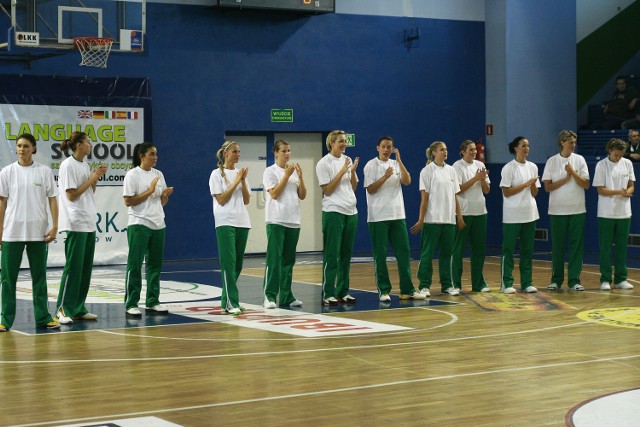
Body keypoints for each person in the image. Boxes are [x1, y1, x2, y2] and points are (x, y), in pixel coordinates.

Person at [0, 133, 59, 332]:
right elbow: (2, 202)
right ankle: (5, 320)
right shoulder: (7, 172)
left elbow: (52, 199)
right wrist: (0, 231)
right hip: (11, 233)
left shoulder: (43, 172)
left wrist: (55, 226)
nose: (22, 149)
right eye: (19, 146)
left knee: (39, 277)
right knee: (8, 279)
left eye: (26, 146)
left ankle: (43, 317)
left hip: (38, 233)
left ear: (34, 148)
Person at [55, 132, 108, 324]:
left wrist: (95, 177)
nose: (90, 145)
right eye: (88, 142)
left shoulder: (84, 165)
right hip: (75, 222)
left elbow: (89, 190)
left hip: (88, 221)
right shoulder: (67, 165)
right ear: (78, 145)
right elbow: (72, 195)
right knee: (73, 268)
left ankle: (77, 307)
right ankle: (62, 309)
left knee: (85, 269)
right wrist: (92, 177)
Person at [364, 136, 425, 301]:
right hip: (378, 217)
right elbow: (370, 189)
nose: (386, 150)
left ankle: (407, 290)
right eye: (383, 147)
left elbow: (407, 181)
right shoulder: (371, 165)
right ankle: (384, 290)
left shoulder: (396, 164)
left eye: (389, 147)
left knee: (404, 252)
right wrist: (384, 177)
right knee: (380, 254)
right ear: (378, 148)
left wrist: (399, 160)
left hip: (397, 215)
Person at [123, 142, 174, 317]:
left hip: (158, 223)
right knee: (135, 265)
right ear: (142, 156)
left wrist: (164, 195)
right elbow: (129, 201)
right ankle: (131, 303)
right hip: (139, 223)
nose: (155, 157)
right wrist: (150, 190)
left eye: (156, 154)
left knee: (155, 265)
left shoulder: (159, 174)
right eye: (152, 154)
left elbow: (162, 202)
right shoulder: (132, 175)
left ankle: (152, 301)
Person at [410, 141, 465, 297]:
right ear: (434, 152)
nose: (445, 152)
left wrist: (459, 217)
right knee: (427, 254)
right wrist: (421, 220)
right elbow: (424, 199)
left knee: (447, 254)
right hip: (432, 220)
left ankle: (447, 285)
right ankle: (424, 285)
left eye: (446, 149)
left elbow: (455, 197)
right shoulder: (427, 171)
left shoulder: (451, 171)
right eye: (442, 150)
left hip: (449, 221)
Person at [542, 130, 590, 292]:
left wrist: (573, 173)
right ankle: (556, 280)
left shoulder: (580, 160)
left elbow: (586, 184)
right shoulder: (552, 162)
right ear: (562, 142)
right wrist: (564, 179)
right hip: (557, 210)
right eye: (570, 142)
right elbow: (547, 187)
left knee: (576, 245)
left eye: (574, 142)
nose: (573, 145)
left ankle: (574, 280)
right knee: (558, 246)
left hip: (577, 209)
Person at [315, 130, 359, 305]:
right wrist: (342, 171)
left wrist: (352, 171)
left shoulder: (347, 160)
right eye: (341, 141)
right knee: (332, 254)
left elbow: (353, 186)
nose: (344, 144)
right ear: (331, 143)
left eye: (345, 141)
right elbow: (328, 190)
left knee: (346, 255)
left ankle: (343, 291)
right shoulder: (323, 163)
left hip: (351, 211)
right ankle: (327, 293)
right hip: (333, 211)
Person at [262, 139, 306, 308]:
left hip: (293, 220)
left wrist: (300, 178)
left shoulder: (294, 172)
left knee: (289, 260)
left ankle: (287, 296)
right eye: (284, 151)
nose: (287, 154)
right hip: (276, 220)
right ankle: (269, 295)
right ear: (275, 152)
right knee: (274, 259)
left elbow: (302, 195)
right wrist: (286, 176)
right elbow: (274, 194)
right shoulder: (270, 171)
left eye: (289, 150)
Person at [210, 140, 251, 315]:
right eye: (235, 151)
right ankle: (231, 302)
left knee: (238, 264)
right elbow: (221, 199)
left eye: (239, 151)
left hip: (242, 221)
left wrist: (242, 181)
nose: (238, 154)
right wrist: (236, 181)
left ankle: (226, 300)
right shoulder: (216, 174)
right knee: (228, 263)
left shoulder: (240, 174)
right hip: (225, 220)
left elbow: (247, 200)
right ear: (226, 154)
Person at [500, 136, 540, 294]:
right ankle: (506, 283)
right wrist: (525, 184)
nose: (526, 148)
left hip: (530, 213)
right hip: (513, 215)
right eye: (523, 145)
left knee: (527, 250)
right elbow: (507, 192)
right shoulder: (509, 168)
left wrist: (532, 186)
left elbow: (535, 192)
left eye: (528, 146)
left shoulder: (533, 167)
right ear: (516, 148)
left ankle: (527, 282)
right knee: (508, 249)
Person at [593, 138, 635, 291]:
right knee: (605, 248)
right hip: (606, 213)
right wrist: (619, 192)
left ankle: (620, 279)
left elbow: (631, 186)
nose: (619, 158)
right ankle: (605, 279)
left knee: (622, 247)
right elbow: (601, 190)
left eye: (621, 155)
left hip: (624, 213)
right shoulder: (601, 165)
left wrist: (627, 192)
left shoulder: (627, 163)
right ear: (610, 150)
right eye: (616, 155)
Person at [452, 140, 491, 293]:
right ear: (463, 151)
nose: (474, 152)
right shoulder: (457, 166)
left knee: (479, 250)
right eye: (471, 150)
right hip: (464, 212)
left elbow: (487, 190)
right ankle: (455, 283)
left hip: (480, 212)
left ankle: (479, 283)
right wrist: (475, 178)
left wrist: (482, 179)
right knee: (458, 250)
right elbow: (458, 189)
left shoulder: (480, 166)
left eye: (475, 150)